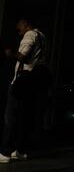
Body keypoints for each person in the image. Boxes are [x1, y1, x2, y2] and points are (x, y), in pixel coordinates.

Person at [0, 18, 48, 164]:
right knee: (25, 117)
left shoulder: (29, 35)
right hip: (33, 83)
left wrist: (10, 53)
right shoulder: (42, 36)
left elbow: (23, 56)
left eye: (20, 30)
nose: (20, 33)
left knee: (10, 117)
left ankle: (5, 152)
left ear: (26, 26)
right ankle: (19, 150)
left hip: (21, 82)